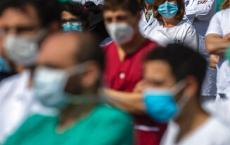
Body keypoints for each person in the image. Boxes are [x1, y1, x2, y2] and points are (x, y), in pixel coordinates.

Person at [3, 32, 133, 145]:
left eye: (52, 68)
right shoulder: (35, 122)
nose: (40, 76)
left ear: (88, 74)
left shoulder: (110, 123)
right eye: (39, 67)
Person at [141, 44, 230, 145]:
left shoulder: (221, 138)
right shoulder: (174, 128)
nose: (147, 90)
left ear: (189, 86)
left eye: (157, 84)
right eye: (147, 82)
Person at [101, 0, 165, 145]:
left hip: (146, 137)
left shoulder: (156, 54)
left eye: (121, 18)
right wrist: (130, 98)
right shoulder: (102, 54)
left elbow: (147, 104)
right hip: (108, 136)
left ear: (137, 16)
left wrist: (100, 93)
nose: (115, 25)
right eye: (109, 20)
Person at [0, 0, 62, 143]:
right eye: (5, 30)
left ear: (53, 30)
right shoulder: (6, 92)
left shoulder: (81, 97)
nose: (12, 39)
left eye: (23, 29)